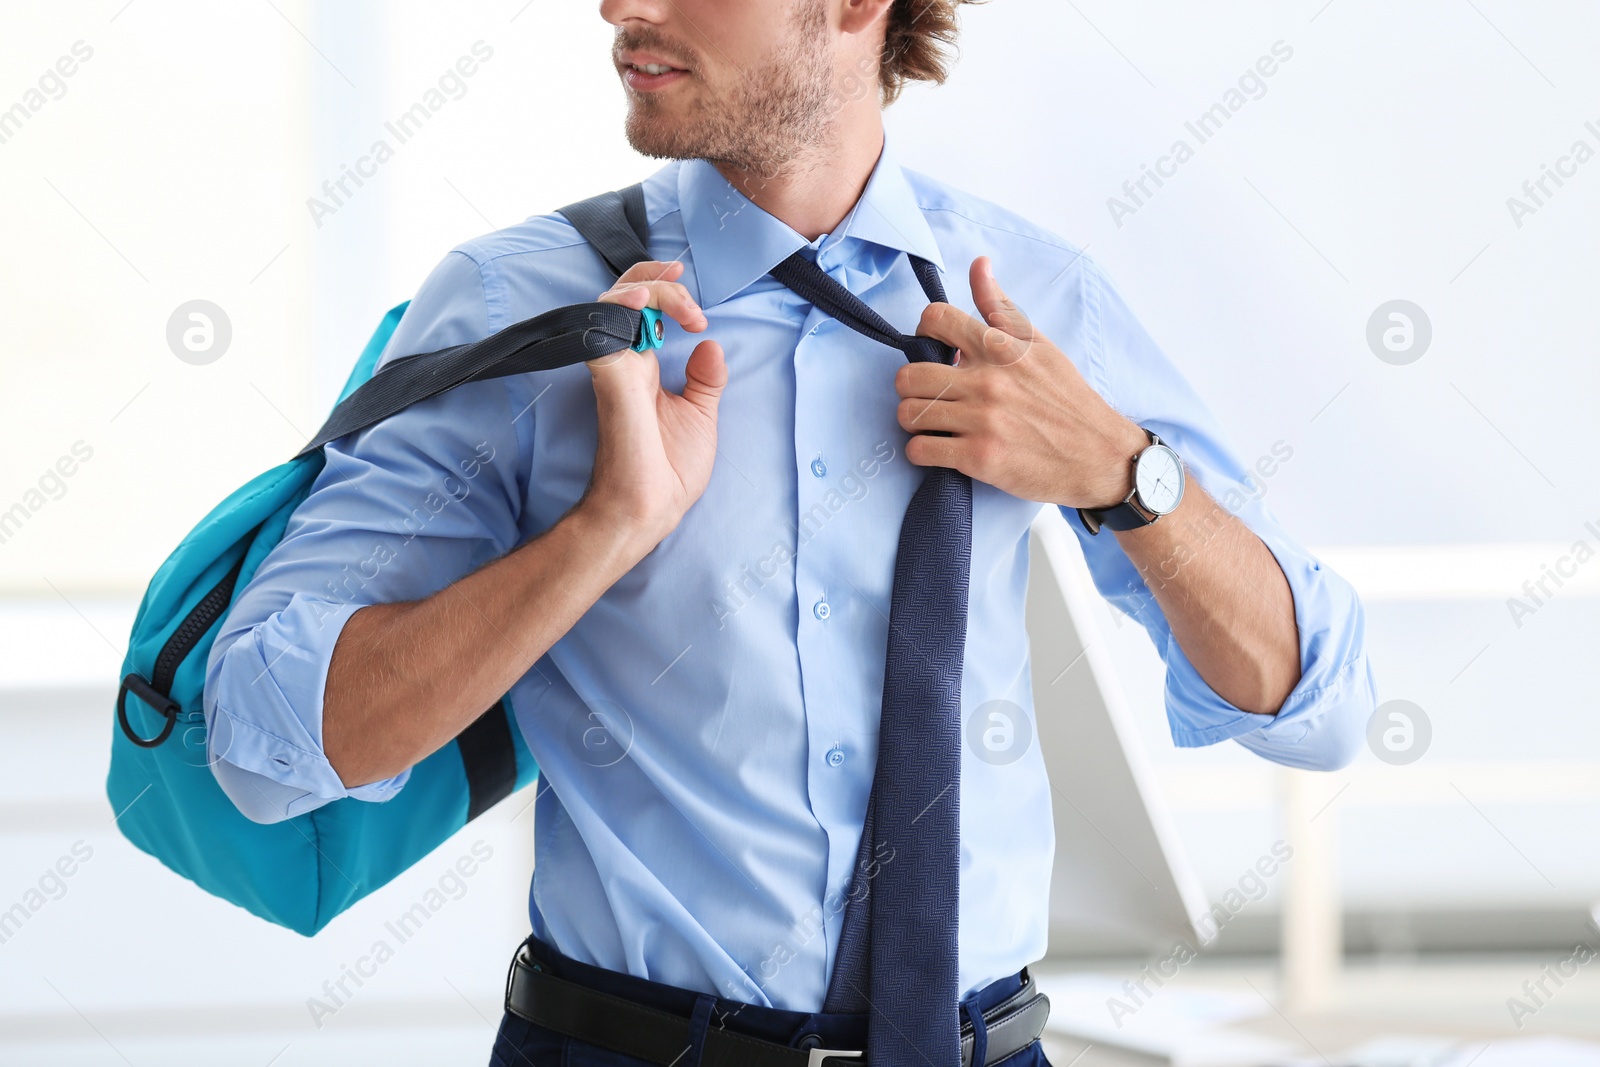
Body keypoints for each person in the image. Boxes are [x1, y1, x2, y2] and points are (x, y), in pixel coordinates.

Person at [203, 1, 1376, 1063]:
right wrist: (603, 532)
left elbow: (1312, 702)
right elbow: (262, 742)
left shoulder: (1030, 295)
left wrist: (1123, 472)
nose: (620, 8)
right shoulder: (524, 302)